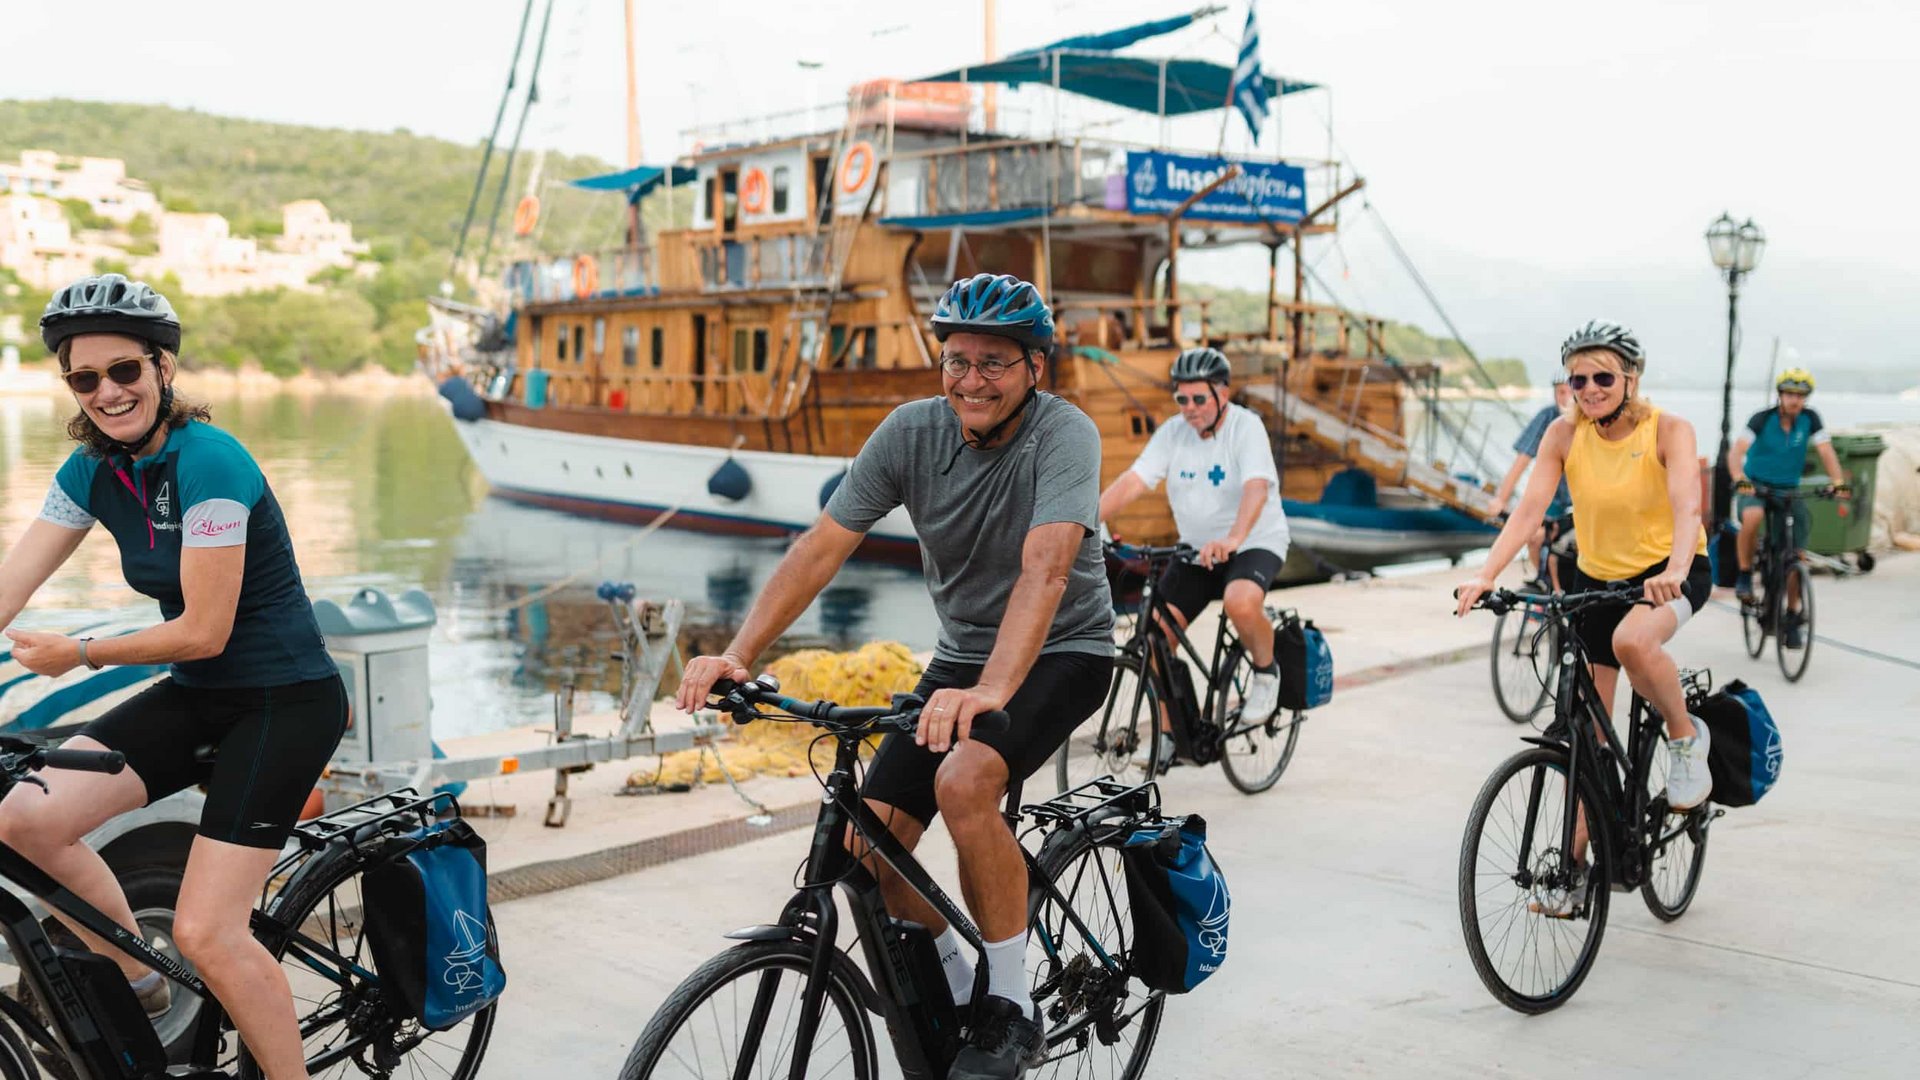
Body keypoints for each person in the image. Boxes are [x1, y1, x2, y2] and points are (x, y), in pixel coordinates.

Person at [675, 273, 1113, 1080]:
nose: (971, 380)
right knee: (862, 847)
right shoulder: (910, 433)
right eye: (957, 360)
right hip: (958, 659)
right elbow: (822, 545)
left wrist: (991, 692)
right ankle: (956, 978)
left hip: (1064, 649)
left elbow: (1047, 571)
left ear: (1034, 370)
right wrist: (741, 651)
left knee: (965, 782)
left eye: (994, 363)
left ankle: (1011, 1003)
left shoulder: (1065, 435)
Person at [0, 274, 346, 1078]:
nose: (107, 392)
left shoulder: (212, 460)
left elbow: (202, 630)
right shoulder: (90, 471)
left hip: (283, 701)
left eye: (125, 371)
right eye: (84, 378)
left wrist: (77, 655)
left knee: (208, 931)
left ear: (162, 369)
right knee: (24, 821)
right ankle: (141, 977)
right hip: (200, 697)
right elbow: (8, 588)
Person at [1454, 320, 1713, 912]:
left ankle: (1683, 738)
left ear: (1630, 378)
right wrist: (1485, 574)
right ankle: (1571, 874)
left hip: (1670, 572)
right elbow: (1528, 513)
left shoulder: (1668, 430)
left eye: (1602, 377)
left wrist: (1674, 568)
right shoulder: (1562, 434)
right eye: (1578, 379)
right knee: (1583, 739)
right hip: (1596, 580)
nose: (1589, 388)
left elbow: (1686, 506)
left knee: (1634, 643)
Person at [1097, 347, 1291, 733]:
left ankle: (1267, 674)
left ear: (1223, 392)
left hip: (1254, 541)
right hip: (1196, 551)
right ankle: (1175, 734)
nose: (1190, 408)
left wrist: (1234, 538)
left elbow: (1256, 487)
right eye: (1181, 399)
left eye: (1199, 398)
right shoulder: (1173, 432)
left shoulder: (1245, 427)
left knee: (1240, 602)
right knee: (1150, 639)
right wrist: (1086, 520)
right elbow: (1136, 479)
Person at [1729, 367, 1848, 645]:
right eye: (1790, 394)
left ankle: (1792, 615)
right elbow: (1737, 452)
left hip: (1787, 490)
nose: (1795, 400)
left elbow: (1826, 451)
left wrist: (1838, 481)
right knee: (1753, 515)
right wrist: (1739, 478)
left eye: (1800, 395)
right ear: (1780, 395)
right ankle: (1745, 573)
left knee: (1796, 555)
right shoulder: (1761, 419)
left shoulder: (1810, 419)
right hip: (1756, 485)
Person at [1487, 371, 1576, 588]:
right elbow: (1522, 459)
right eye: (1559, 392)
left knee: (1566, 553)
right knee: (1535, 537)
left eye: (1568, 391)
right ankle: (1546, 587)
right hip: (1553, 498)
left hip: (1578, 501)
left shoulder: (1587, 419)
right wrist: (1501, 499)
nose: (1563, 398)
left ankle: (1561, 593)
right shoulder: (1548, 417)